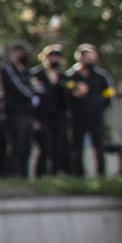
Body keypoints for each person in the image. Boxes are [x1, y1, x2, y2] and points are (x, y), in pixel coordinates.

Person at [68, 44, 118, 178]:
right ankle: (78, 174)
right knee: (77, 147)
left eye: (92, 57)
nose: (90, 61)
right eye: (87, 58)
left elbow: (109, 95)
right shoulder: (71, 76)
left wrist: (100, 107)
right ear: (80, 58)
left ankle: (101, 174)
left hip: (96, 116)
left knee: (99, 146)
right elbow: (65, 95)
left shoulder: (101, 76)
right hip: (77, 117)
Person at [0, 42, 39, 179]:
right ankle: (12, 174)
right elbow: (21, 90)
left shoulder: (27, 71)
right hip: (15, 114)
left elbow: (38, 88)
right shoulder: (9, 70)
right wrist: (32, 94)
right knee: (17, 145)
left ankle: (24, 174)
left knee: (27, 147)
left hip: (28, 114)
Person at [32, 44, 71, 176]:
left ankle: (55, 173)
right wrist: (34, 118)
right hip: (42, 117)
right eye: (52, 56)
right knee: (45, 146)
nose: (54, 59)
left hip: (59, 117)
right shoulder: (36, 75)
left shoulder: (64, 78)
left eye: (57, 57)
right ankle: (40, 174)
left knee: (58, 146)